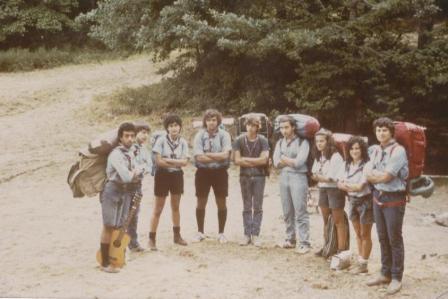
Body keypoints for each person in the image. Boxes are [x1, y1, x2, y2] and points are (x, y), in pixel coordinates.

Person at [365, 117, 408, 295]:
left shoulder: (398, 151)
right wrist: (374, 176)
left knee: (394, 238)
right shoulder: (376, 150)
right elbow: (367, 170)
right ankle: (385, 272)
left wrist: (373, 176)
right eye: (378, 130)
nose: (381, 133)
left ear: (391, 132)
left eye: (384, 130)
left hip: (393, 198)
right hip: (378, 196)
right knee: (382, 236)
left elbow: (387, 177)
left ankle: (396, 276)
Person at [99, 122, 143, 273]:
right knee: (108, 225)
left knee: (120, 226)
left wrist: (136, 172)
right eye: (127, 136)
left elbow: (140, 169)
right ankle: (104, 262)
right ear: (120, 138)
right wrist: (135, 173)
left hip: (124, 191)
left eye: (132, 136)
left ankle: (114, 257)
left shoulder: (130, 153)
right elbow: (126, 176)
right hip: (112, 190)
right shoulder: (116, 154)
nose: (130, 139)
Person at [148, 114, 189, 250]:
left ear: (180, 127)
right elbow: (158, 161)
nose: (174, 128)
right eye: (171, 126)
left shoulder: (182, 142)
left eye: (176, 125)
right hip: (162, 175)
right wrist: (175, 162)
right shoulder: (161, 141)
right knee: (158, 208)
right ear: (167, 128)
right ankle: (151, 239)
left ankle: (177, 236)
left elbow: (185, 162)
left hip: (177, 175)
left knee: (175, 206)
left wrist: (169, 160)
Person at [193, 109, 232, 244]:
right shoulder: (199, 135)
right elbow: (198, 157)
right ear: (205, 121)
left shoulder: (224, 135)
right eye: (209, 120)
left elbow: (226, 155)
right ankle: (200, 232)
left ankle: (221, 233)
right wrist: (217, 156)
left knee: (221, 201)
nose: (211, 123)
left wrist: (207, 155)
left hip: (220, 172)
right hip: (203, 172)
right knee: (201, 201)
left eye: (214, 120)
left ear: (218, 121)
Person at [273, 115, 311, 254]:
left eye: (286, 127)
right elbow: (275, 162)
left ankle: (304, 242)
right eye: (282, 128)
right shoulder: (279, 143)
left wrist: (284, 158)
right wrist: (287, 160)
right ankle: (290, 238)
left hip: (299, 177)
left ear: (293, 127)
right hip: (284, 177)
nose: (284, 130)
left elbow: (299, 163)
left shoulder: (303, 142)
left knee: (300, 210)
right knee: (287, 210)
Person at [337, 136, 373, 274]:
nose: (354, 151)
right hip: (352, 201)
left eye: (357, 148)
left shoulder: (367, 165)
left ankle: (364, 264)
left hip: (365, 201)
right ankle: (360, 262)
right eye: (351, 148)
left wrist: (348, 186)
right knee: (357, 233)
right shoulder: (346, 164)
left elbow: (360, 187)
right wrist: (350, 187)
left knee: (365, 234)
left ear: (362, 149)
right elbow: (339, 183)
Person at [233, 114, 270, 247]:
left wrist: (246, 160)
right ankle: (246, 234)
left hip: (260, 176)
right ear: (245, 125)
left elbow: (264, 160)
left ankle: (256, 234)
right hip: (245, 176)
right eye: (249, 125)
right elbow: (237, 160)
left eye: (254, 125)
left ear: (258, 127)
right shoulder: (239, 140)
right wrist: (256, 162)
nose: (251, 128)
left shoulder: (263, 140)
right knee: (247, 206)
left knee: (258, 206)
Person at [311, 128, 347, 256]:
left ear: (328, 141)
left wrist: (320, 176)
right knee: (326, 220)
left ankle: (341, 250)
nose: (319, 144)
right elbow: (314, 174)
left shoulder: (336, 156)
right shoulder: (319, 156)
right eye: (317, 141)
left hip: (335, 190)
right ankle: (327, 246)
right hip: (323, 189)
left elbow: (331, 178)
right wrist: (321, 176)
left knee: (338, 220)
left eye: (322, 141)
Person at [127, 121, 152, 252]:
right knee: (124, 214)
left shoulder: (144, 149)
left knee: (134, 213)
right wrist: (139, 169)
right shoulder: (129, 148)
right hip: (125, 185)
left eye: (147, 133)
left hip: (137, 185)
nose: (145, 135)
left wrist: (142, 169)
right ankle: (121, 242)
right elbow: (130, 165)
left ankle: (133, 242)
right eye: (142, 132)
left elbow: (149, 165)